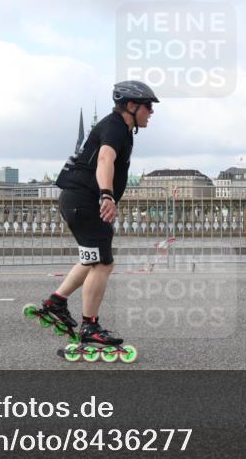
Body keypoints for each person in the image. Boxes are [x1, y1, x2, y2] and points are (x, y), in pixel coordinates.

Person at [35, 80, 159, 347]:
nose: (151, 112)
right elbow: (105, 160)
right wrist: (106, 194)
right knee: (103, 263)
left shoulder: (120, 128)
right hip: (85, 201)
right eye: (148, 106)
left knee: (92, 259)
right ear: (131, 105)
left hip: (78, 200)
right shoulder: (115, 126)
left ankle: (56, 302)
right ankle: (89, 326)